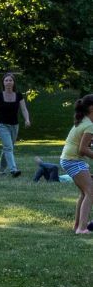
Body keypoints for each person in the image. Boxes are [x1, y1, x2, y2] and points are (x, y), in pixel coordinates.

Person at [0, 72, 31, 178]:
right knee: (8, 147)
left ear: (13, 82)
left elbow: (24, 109)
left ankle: (1, 170)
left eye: (10, 80)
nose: (8, 82)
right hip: (1, 124)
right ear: (3, 82)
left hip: (14, 125)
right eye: (6, 80)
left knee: (7, 148)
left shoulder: (19, 95)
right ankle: (13, 169)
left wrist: (27, 119)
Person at [62, 94, 93, 234]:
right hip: (73, 160)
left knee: (84, 192)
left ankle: (77, 226)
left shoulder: (84, 121)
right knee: (90, 192)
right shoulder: (89, 125)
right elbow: (83, 149)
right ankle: (82, 228)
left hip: (69, 159)